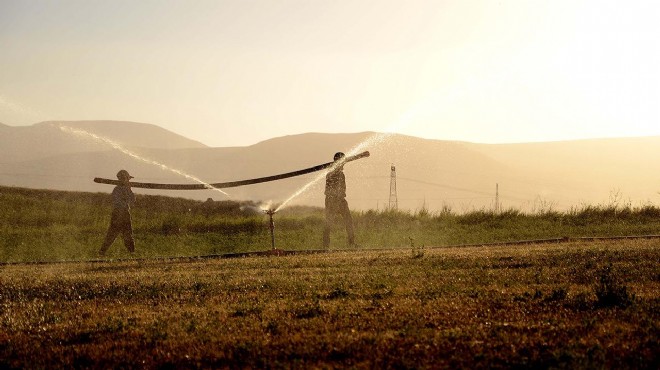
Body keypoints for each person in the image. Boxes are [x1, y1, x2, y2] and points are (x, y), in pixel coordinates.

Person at [99, 169, 136, 256]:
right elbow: (122, 201)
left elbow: (132, 200)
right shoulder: (118, 189)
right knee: (114, 233)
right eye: (127, 178)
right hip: (119, 212)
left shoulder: (126, 189)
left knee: (126, 234)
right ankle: (102, 252)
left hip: (124, 213)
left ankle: (132, 253)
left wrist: (128, 191)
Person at [323, 152, 355, 248]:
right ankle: (326, 245)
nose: (344, 164)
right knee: (329, 223)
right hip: (332, 201)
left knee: (348, 220)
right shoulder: (332, 174)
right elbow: (329, 190)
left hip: (340, 200)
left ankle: (351, 242)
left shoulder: (339, 174)